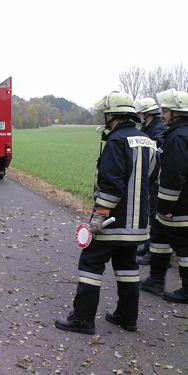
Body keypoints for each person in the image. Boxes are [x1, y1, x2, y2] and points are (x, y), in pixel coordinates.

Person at [55, 91, 158, 334]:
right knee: (127, 267)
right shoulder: (148, 141)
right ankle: (127, 317)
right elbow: (153, 179)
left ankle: (82, 319)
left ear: (112, 115)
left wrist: (99, 217)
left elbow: (111, 185)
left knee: (90, 264)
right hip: (138, 224)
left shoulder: (115, 141)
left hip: (112, 221)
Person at [140, 88, 188, 304]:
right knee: (159, 237)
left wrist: (165, 206)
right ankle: (156, 279)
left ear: (176, 113)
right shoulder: (179, 133)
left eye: (166, 111)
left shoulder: (178, 137)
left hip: (179, 205)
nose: (162, 115)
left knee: (183, 247)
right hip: (177, 203)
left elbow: (172, 175)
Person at [133, 98, 167, 265]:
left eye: (140, 113)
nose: (139, 116)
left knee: (153, 215)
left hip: (156, 179)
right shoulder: (149, 127)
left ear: (146, 114)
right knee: (149, 213)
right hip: (151, 178)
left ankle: (152, 251)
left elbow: (158, 151)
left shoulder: (158, 130)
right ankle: (147, 246)